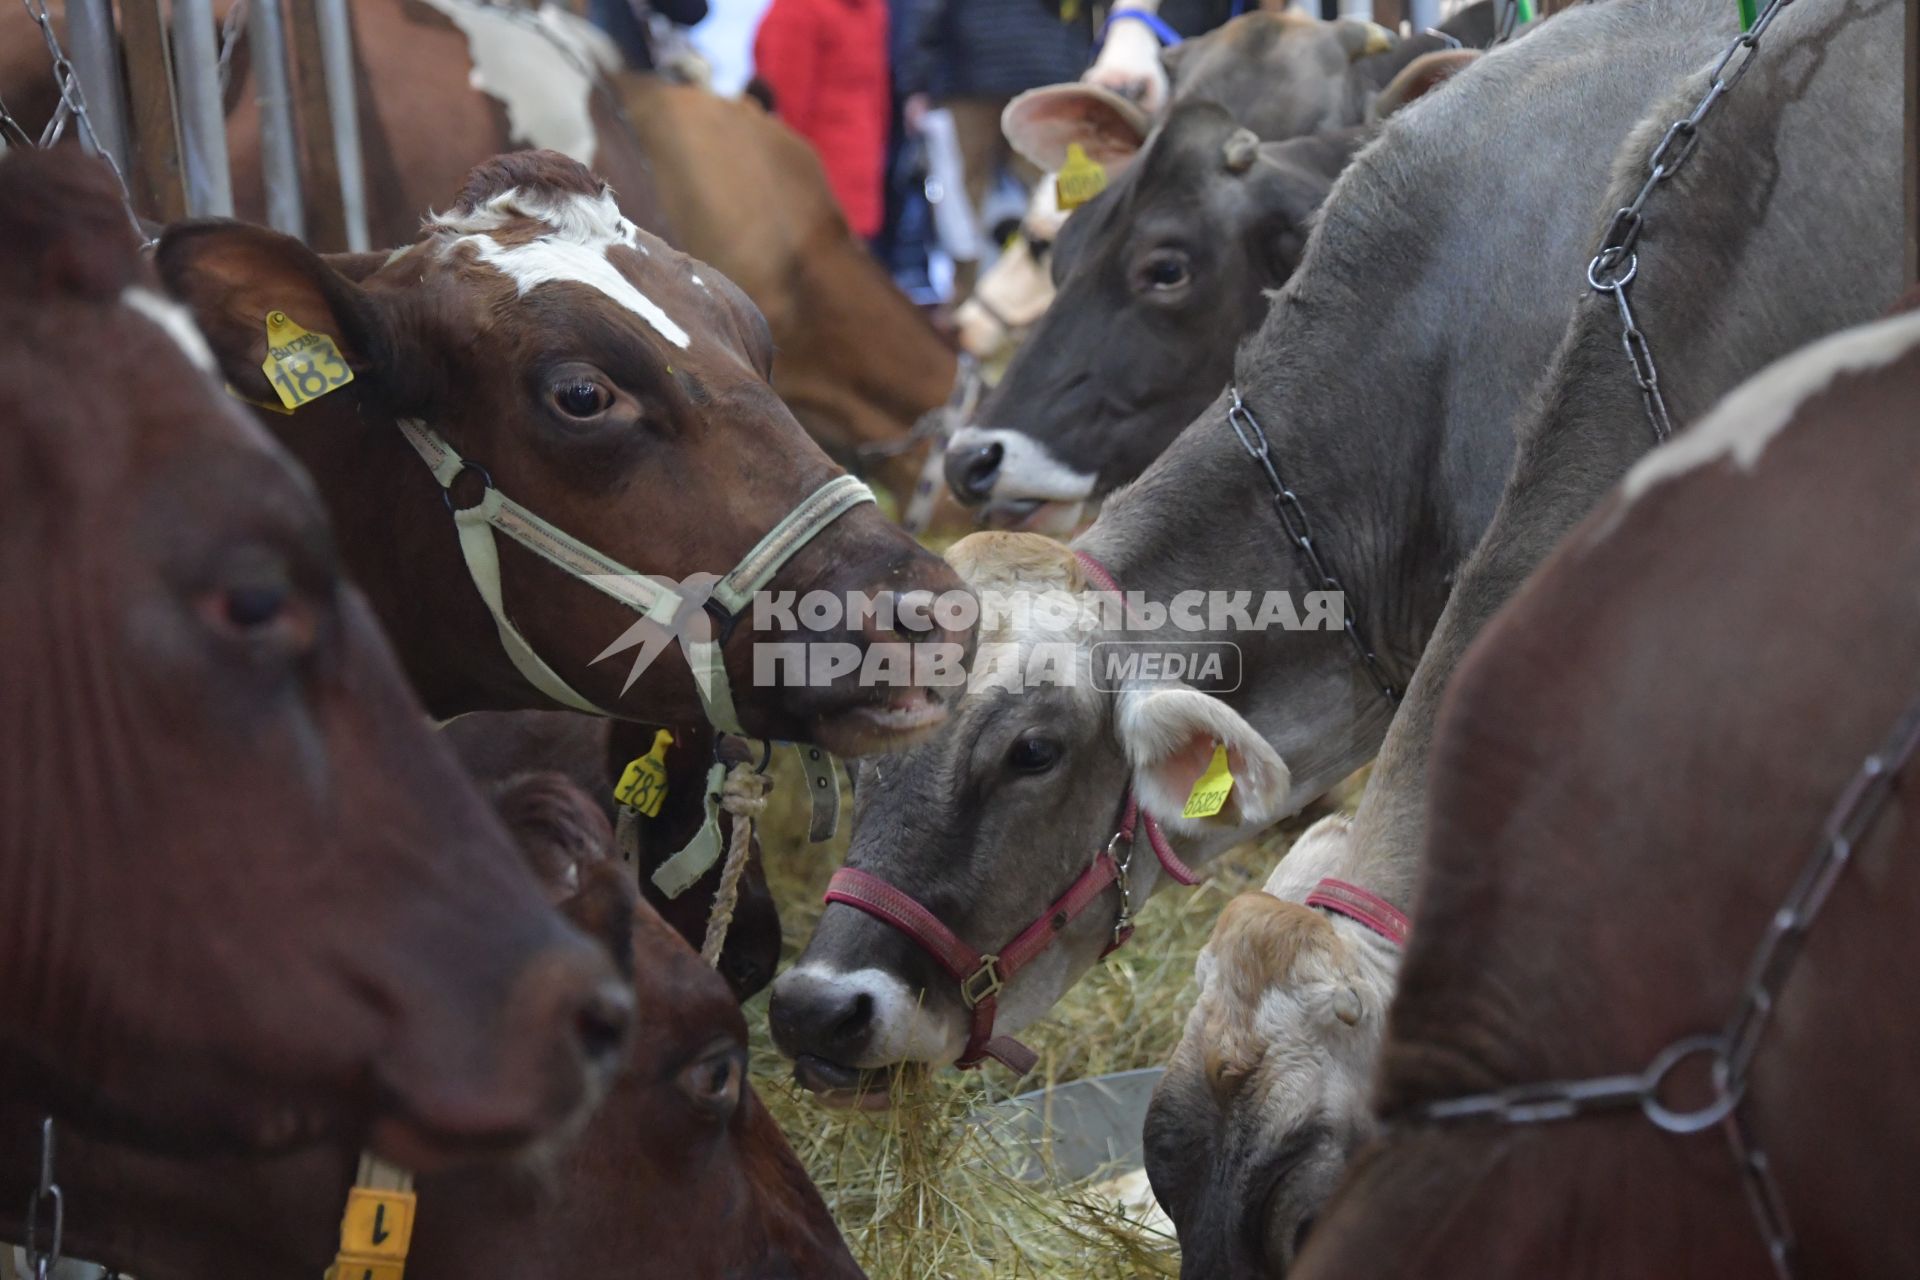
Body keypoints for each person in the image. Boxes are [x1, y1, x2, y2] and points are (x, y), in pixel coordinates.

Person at [895, 0, 1091, 298]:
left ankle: (966, 305)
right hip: (1047, 73)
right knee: (1051, 197)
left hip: (968, 74)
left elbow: (927, 8)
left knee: (960, 203)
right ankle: (1053, 299)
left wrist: (916, 80)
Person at [751, 0, 892, 239]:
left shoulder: (797, 10)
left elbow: (785, 111)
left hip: (813, 178)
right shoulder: (871, 8)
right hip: (860, 162)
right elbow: (879, 97)